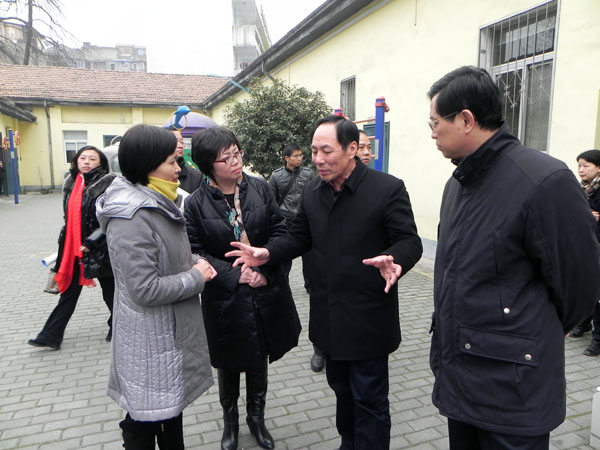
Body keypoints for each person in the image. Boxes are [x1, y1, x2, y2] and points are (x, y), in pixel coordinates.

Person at [427, 66, 600, 450]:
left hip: (514, 389)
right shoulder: (456, 186)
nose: (433, 133)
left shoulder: (543, 180)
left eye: (435, 122)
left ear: (466, 120)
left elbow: (580, 285)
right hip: (461, 378)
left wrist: (538, 327)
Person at [226, 115, 423, 450]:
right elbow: (298, 237)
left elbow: (410, 241)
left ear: (351, 149)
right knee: (342, 393)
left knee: (370, 400)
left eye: (326, 151)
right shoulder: (313, 191)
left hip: (368, 318)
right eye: (314, 151)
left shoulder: (386, 189)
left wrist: (395, 259)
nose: (317, 159)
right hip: (328, 317)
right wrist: (267, 253)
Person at [96, 124, 217, 449]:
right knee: (147, 420)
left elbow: (165, 257)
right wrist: (196, 277)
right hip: (151, 342)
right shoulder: (131, 216)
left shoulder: (159, 200)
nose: (179, 168)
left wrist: (192, 261)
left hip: (165, 338)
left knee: (167, 417)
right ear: (147, 164)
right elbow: (144, 289)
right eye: (171, 161)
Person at [184, 126, 301, 450]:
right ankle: (231, 422)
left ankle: (256, 418)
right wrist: (236, 275)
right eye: (226, 158)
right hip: (225, 298)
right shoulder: (195, 203)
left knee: (259, 358)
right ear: (208, 165)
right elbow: (194, 251)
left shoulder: (259, 188)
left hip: (264, 292)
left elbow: (280, 232)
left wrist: (263, 267)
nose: (236, 162)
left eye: (237, 153)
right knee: (228, 362)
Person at [28, 146, 116, 350]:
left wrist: (92, 242)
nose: (86, 162)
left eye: (92, 159)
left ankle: (118, 326)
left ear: (101, 163)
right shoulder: (71, 183)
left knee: (110, 293)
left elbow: (110, 218)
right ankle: (50, 335)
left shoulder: (109, 184)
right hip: (73, 248)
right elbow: (68, 219)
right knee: (68, 293)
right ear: (76, 161)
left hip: (101, 249)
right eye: (83, 158)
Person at [268, 143, 324, 372]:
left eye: (301, 155)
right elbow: (272, 202)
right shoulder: (276, 177)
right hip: (286, 225)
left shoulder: (309, 174)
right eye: (296, 156)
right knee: (284, 264)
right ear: (286, 158)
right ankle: (283, 289)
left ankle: (310, 284)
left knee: (311, 263)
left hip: (307, 223)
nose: (300, 159)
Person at [569, 149, 600, 356]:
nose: (581, 169)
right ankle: (584, 322)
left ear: (599, 168)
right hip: (586, 245)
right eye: (579, 165)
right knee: (587, 286)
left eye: (586, 165)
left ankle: (598, 338)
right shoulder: (582, 188)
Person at [170, 129, 203, 194]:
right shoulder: (154, 173)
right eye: (175, 142)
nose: (180, 146)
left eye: (182, 142)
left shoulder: (195, 176)